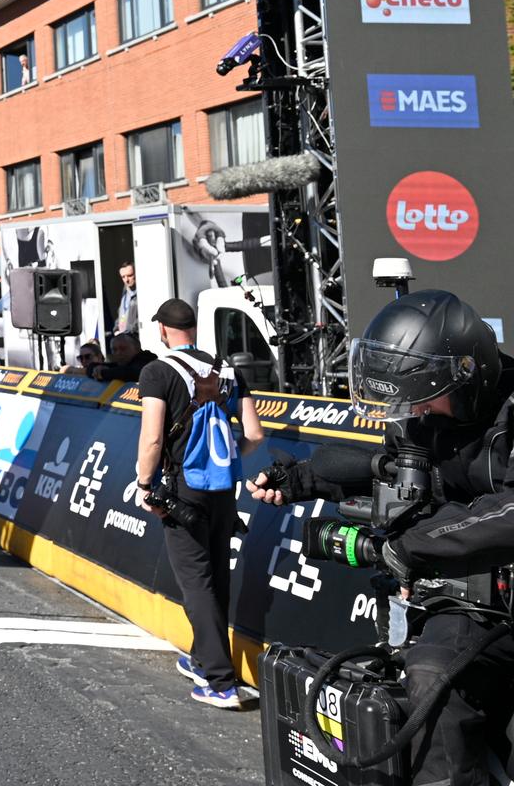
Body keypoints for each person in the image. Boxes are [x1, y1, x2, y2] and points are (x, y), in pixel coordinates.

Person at [249, 290, 514, 785]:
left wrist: (412, 548)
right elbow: (401, 474)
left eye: (422, 397)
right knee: (432, 678)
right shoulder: (423, 414)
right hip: (471, 601)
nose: (412, 410)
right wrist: (305, 481)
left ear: (466, 376)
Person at [134, 297, 263, 709]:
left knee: (196, 582)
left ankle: (220, 682)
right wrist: (221, 460)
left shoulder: (157, 371)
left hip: (181, 488)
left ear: (162, 330)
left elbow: (153, 437)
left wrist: (144, 482)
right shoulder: (227, 369)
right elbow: (256, 435)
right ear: (194, 328)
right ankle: (201, 656)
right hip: (223, 488)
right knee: (216, 578)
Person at [114, 262, 139, 335]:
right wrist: (116, 330)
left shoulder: (141, 294)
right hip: (122, 337)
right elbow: (121, 313)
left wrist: (129, 332)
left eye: (130, 275)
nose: (126, 280)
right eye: (123, 277)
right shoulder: (125, 291)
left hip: (133, 337)